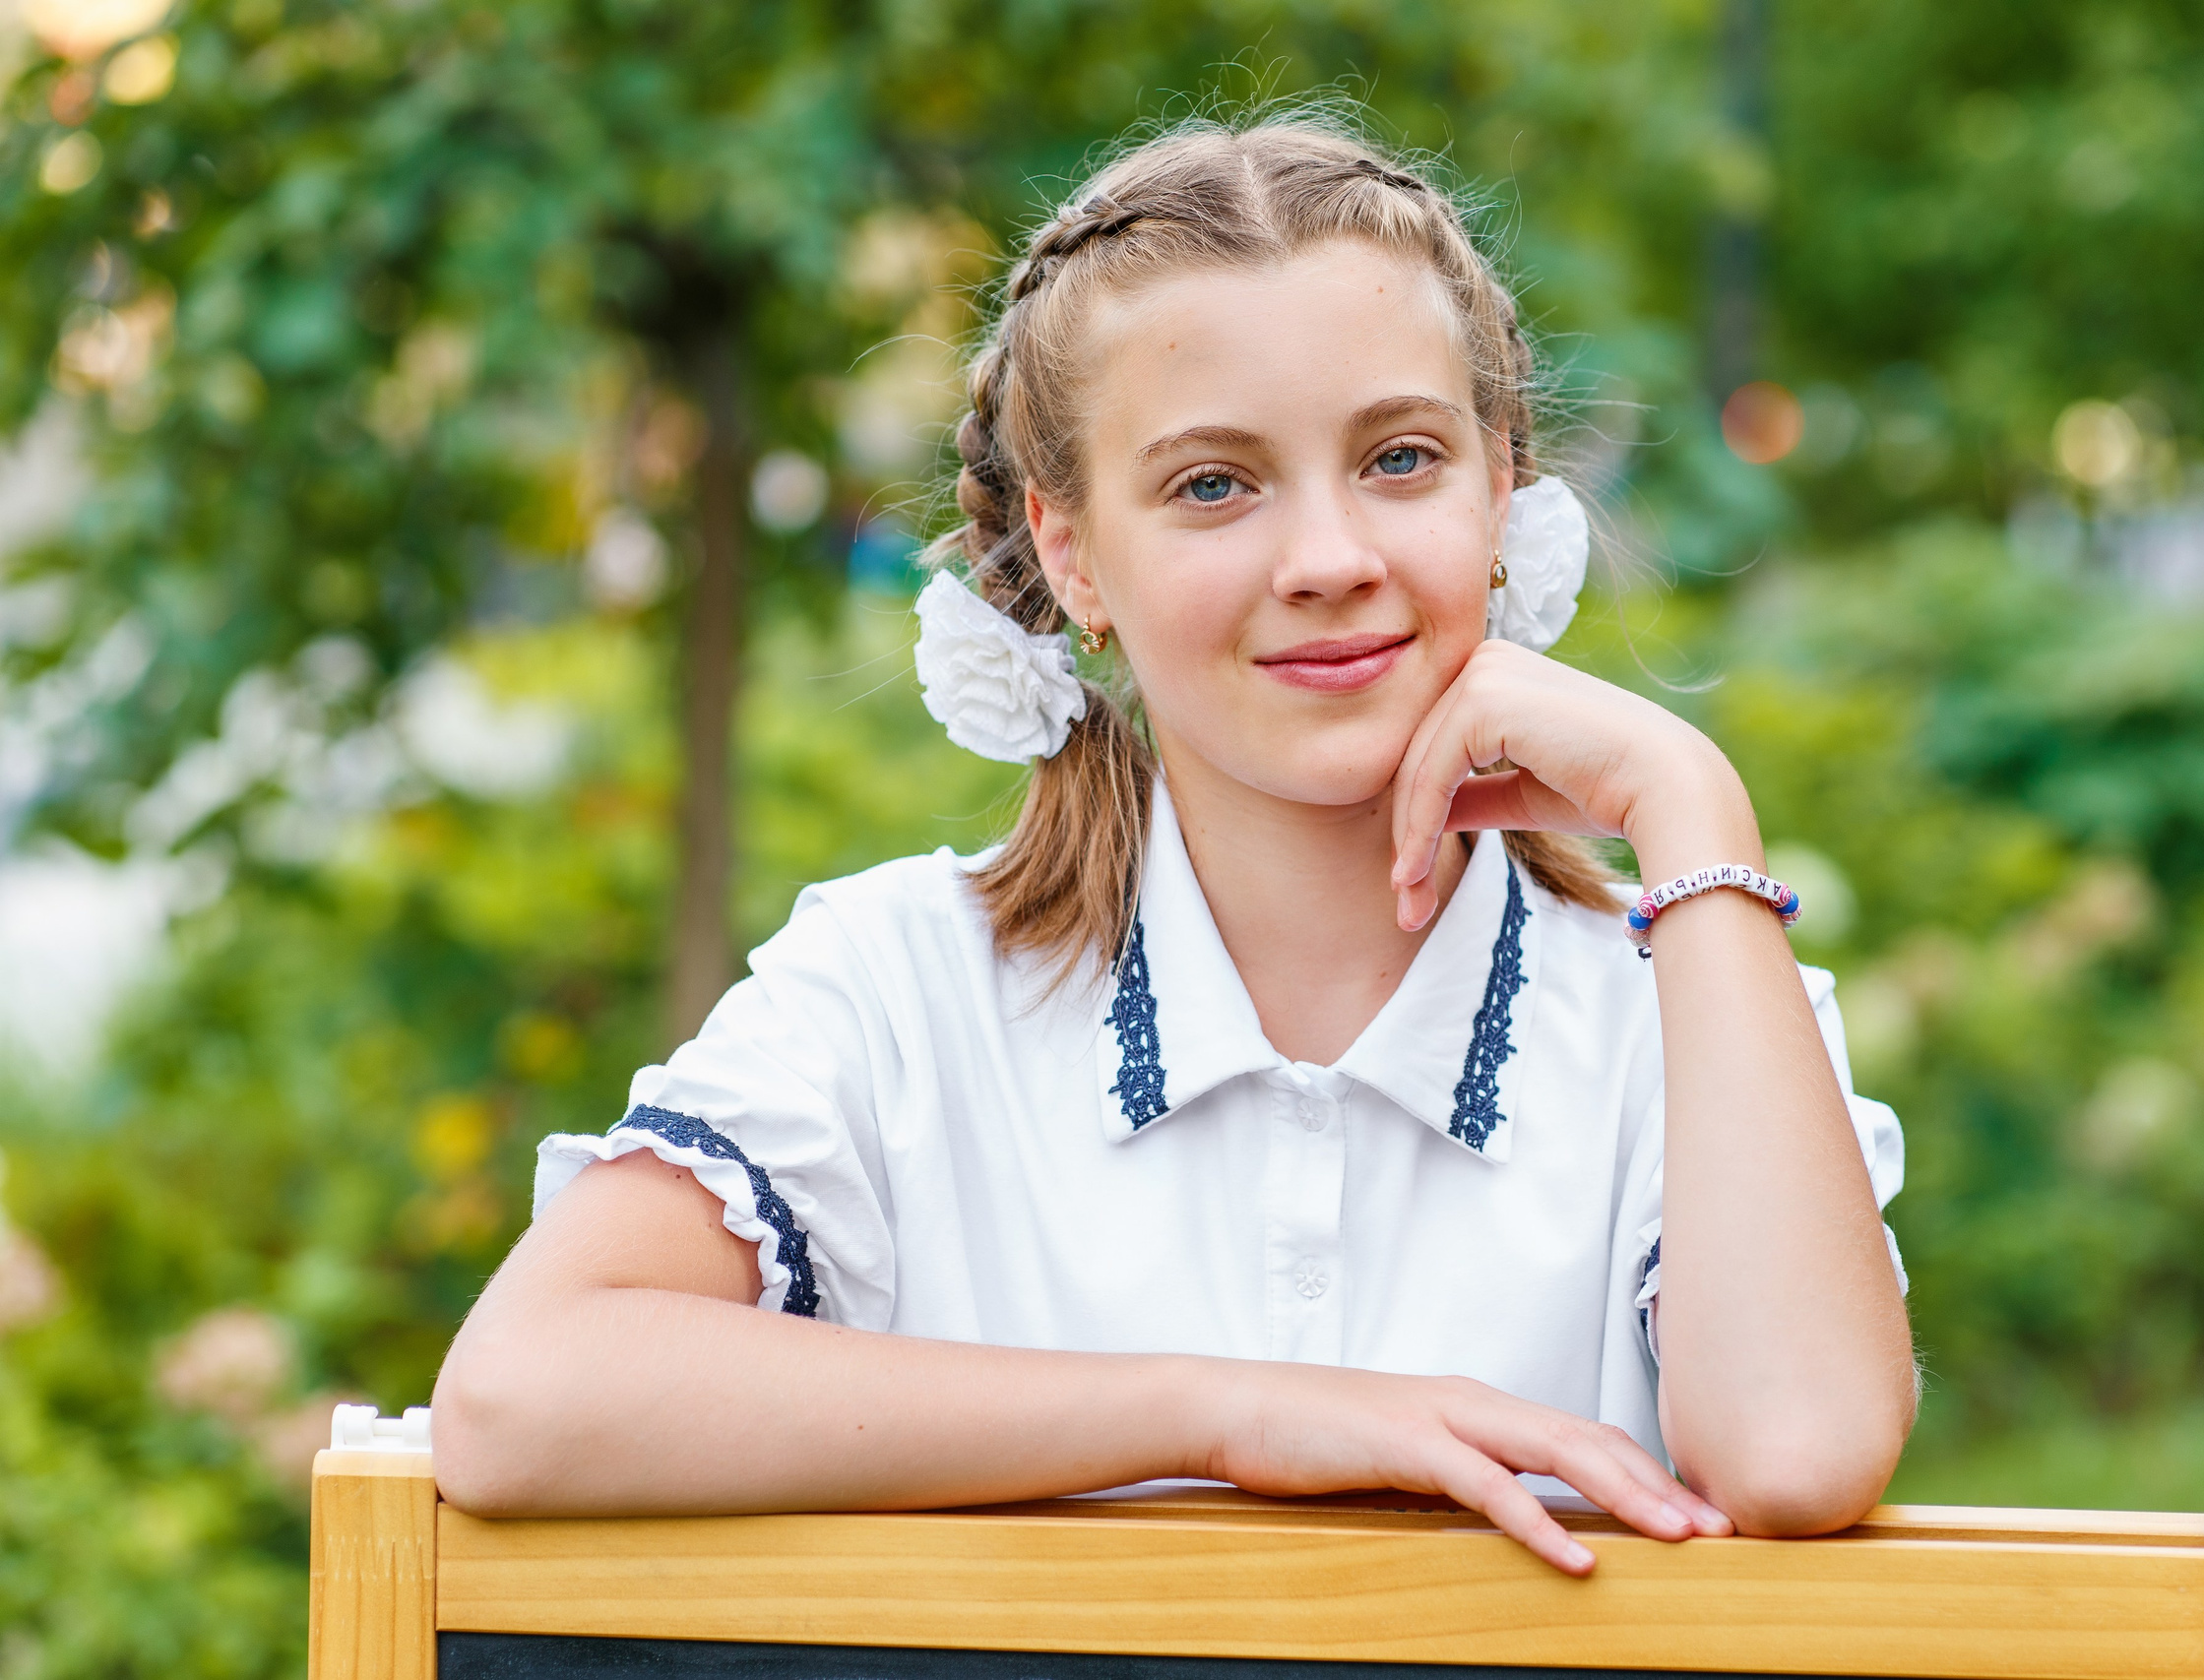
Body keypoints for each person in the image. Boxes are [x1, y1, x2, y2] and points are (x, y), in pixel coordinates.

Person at [432, 115, 1915, 1577]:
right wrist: (1225, 1412)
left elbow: (1795, 1451)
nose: (1330, 559)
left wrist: (1686, 799)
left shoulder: (1691, 1017)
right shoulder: (898, 996)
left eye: (1400, 459)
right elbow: (519, 1399)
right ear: (1070, 551)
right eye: (1214, 485)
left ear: (1501, 485)